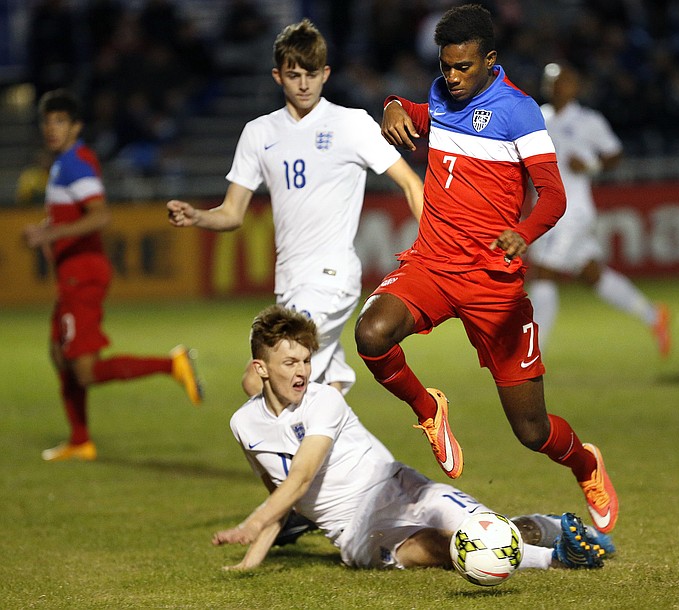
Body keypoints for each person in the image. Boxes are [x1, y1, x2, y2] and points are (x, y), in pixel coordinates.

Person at [354, 5, 618, 534]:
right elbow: (414, 109)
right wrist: (389, 105)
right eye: (445, 66)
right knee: (371, 334)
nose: (451, 78)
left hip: (492, 285)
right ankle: (429, 408)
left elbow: (554, 195)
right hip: (432, 264)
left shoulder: (519, 112)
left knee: (531, 429)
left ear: (490, 59)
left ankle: (585, 465)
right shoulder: (440, 91)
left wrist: (524, 231)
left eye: (463, 68)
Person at [211, 304, 613, 571]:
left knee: (485, 531)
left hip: (398, 488)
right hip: (355, 533)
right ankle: (559, 558)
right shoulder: (243, 425)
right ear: (260, 369)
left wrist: (251, 523)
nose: (301, 372)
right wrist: (250, 560)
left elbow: (299, 479)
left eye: (306, 360)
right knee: (446, 547)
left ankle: (553, 528)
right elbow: (280, 496)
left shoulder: (324, 401)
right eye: (289, 362)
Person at [167, 19, 423, 397]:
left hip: (331, 278)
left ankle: (299, 457)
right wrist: (198, 216)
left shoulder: (350, 124)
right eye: (293, 74)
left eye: (311, 73)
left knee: (261, 383)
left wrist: (436, 243)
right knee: (325, 392)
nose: (303, 83)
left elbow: (410, 182)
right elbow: (233, 212)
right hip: (289, 282)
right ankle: (369, 460)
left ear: (326, 74)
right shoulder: (259, 133)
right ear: (277, 76)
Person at [21, 89, 203, 462]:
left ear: (76, 126)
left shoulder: (75, 164)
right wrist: (47, 227)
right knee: (60, 354)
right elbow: (72, 215)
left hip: (82, 275)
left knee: (84, 370)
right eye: (48, 122)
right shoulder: (62, 165)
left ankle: (173, 364)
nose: (52, 129)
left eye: (60, 121)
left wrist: (48, 234)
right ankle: (80, 440)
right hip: (70, 274)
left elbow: (100, 215)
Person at [526, 62, 671, 356]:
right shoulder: (536, 117)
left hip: (571, 212)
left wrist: (590, 165)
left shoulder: (588, 121)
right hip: (545, 210)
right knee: (592, 274)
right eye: (550, 81)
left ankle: (532, 354)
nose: (554, 86)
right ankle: (654, 315)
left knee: (543, 273)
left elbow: (615, 154)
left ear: (574, 87)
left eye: (562, 81)